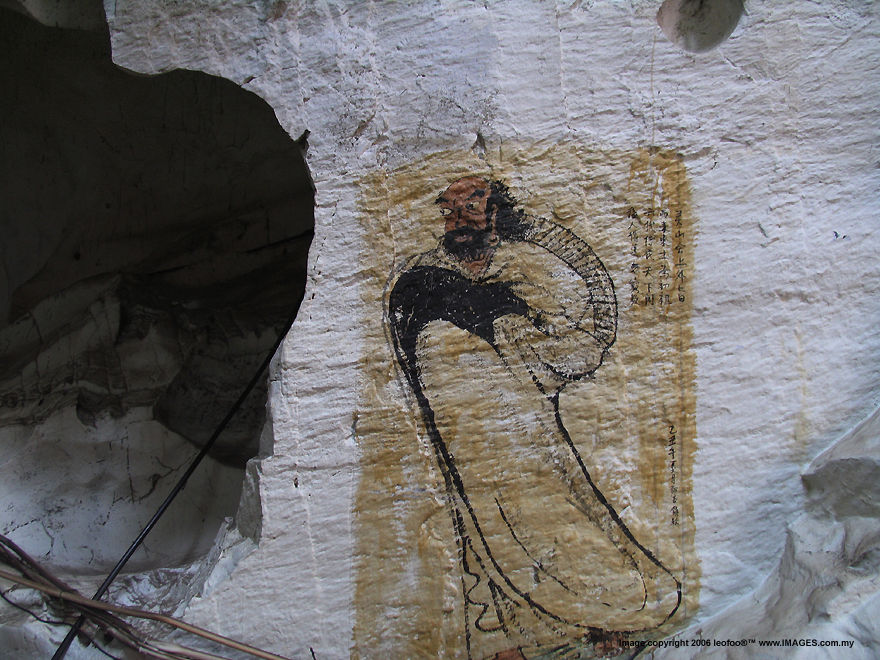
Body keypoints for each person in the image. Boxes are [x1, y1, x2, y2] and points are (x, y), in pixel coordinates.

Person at [386, 176, 680, 657]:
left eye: (472, 206)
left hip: (527, 428)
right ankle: (508, 643)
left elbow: (584, 338)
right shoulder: (426, 275)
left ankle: (601, 611)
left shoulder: (529, 261)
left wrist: (515, 333)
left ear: (497, 210)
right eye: (449, 210)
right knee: (480, 533)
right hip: (461, 432)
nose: (458, 220)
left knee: (559, 517)